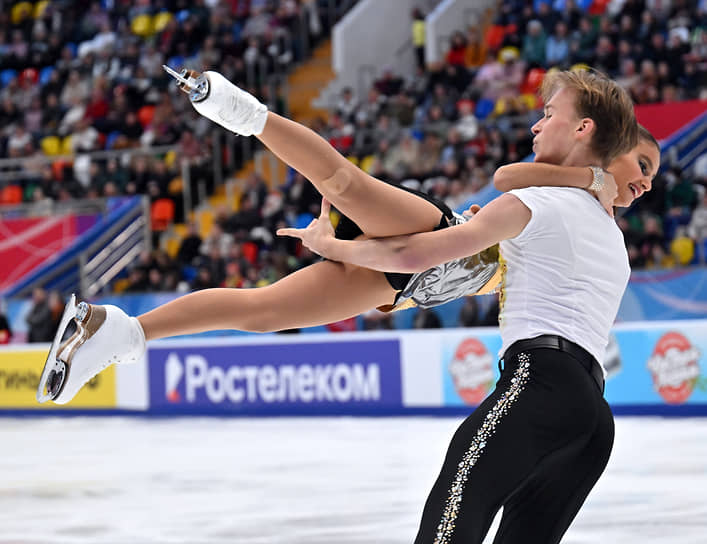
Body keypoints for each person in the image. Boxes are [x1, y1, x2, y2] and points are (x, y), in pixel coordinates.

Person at [38, 67, 656, 410]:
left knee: (266, 311)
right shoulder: (578, 186)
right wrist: (594, 174)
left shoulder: (597, 222)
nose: (645, 184)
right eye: (642, 167)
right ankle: (238, 108)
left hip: (408, 288)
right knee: (347, 184)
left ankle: (119, 330)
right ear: (599, 139)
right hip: (435, 234)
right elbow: (507, 177)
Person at [279, 71, 658, 543]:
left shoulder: (533, 202)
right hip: (593, 418)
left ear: (583, 129)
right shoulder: (610, 232)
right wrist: (593, 176)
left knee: (451, 517)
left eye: (547, 115)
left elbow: (411, 256)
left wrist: (337, 249)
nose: (536, 127)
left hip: (540, 383)